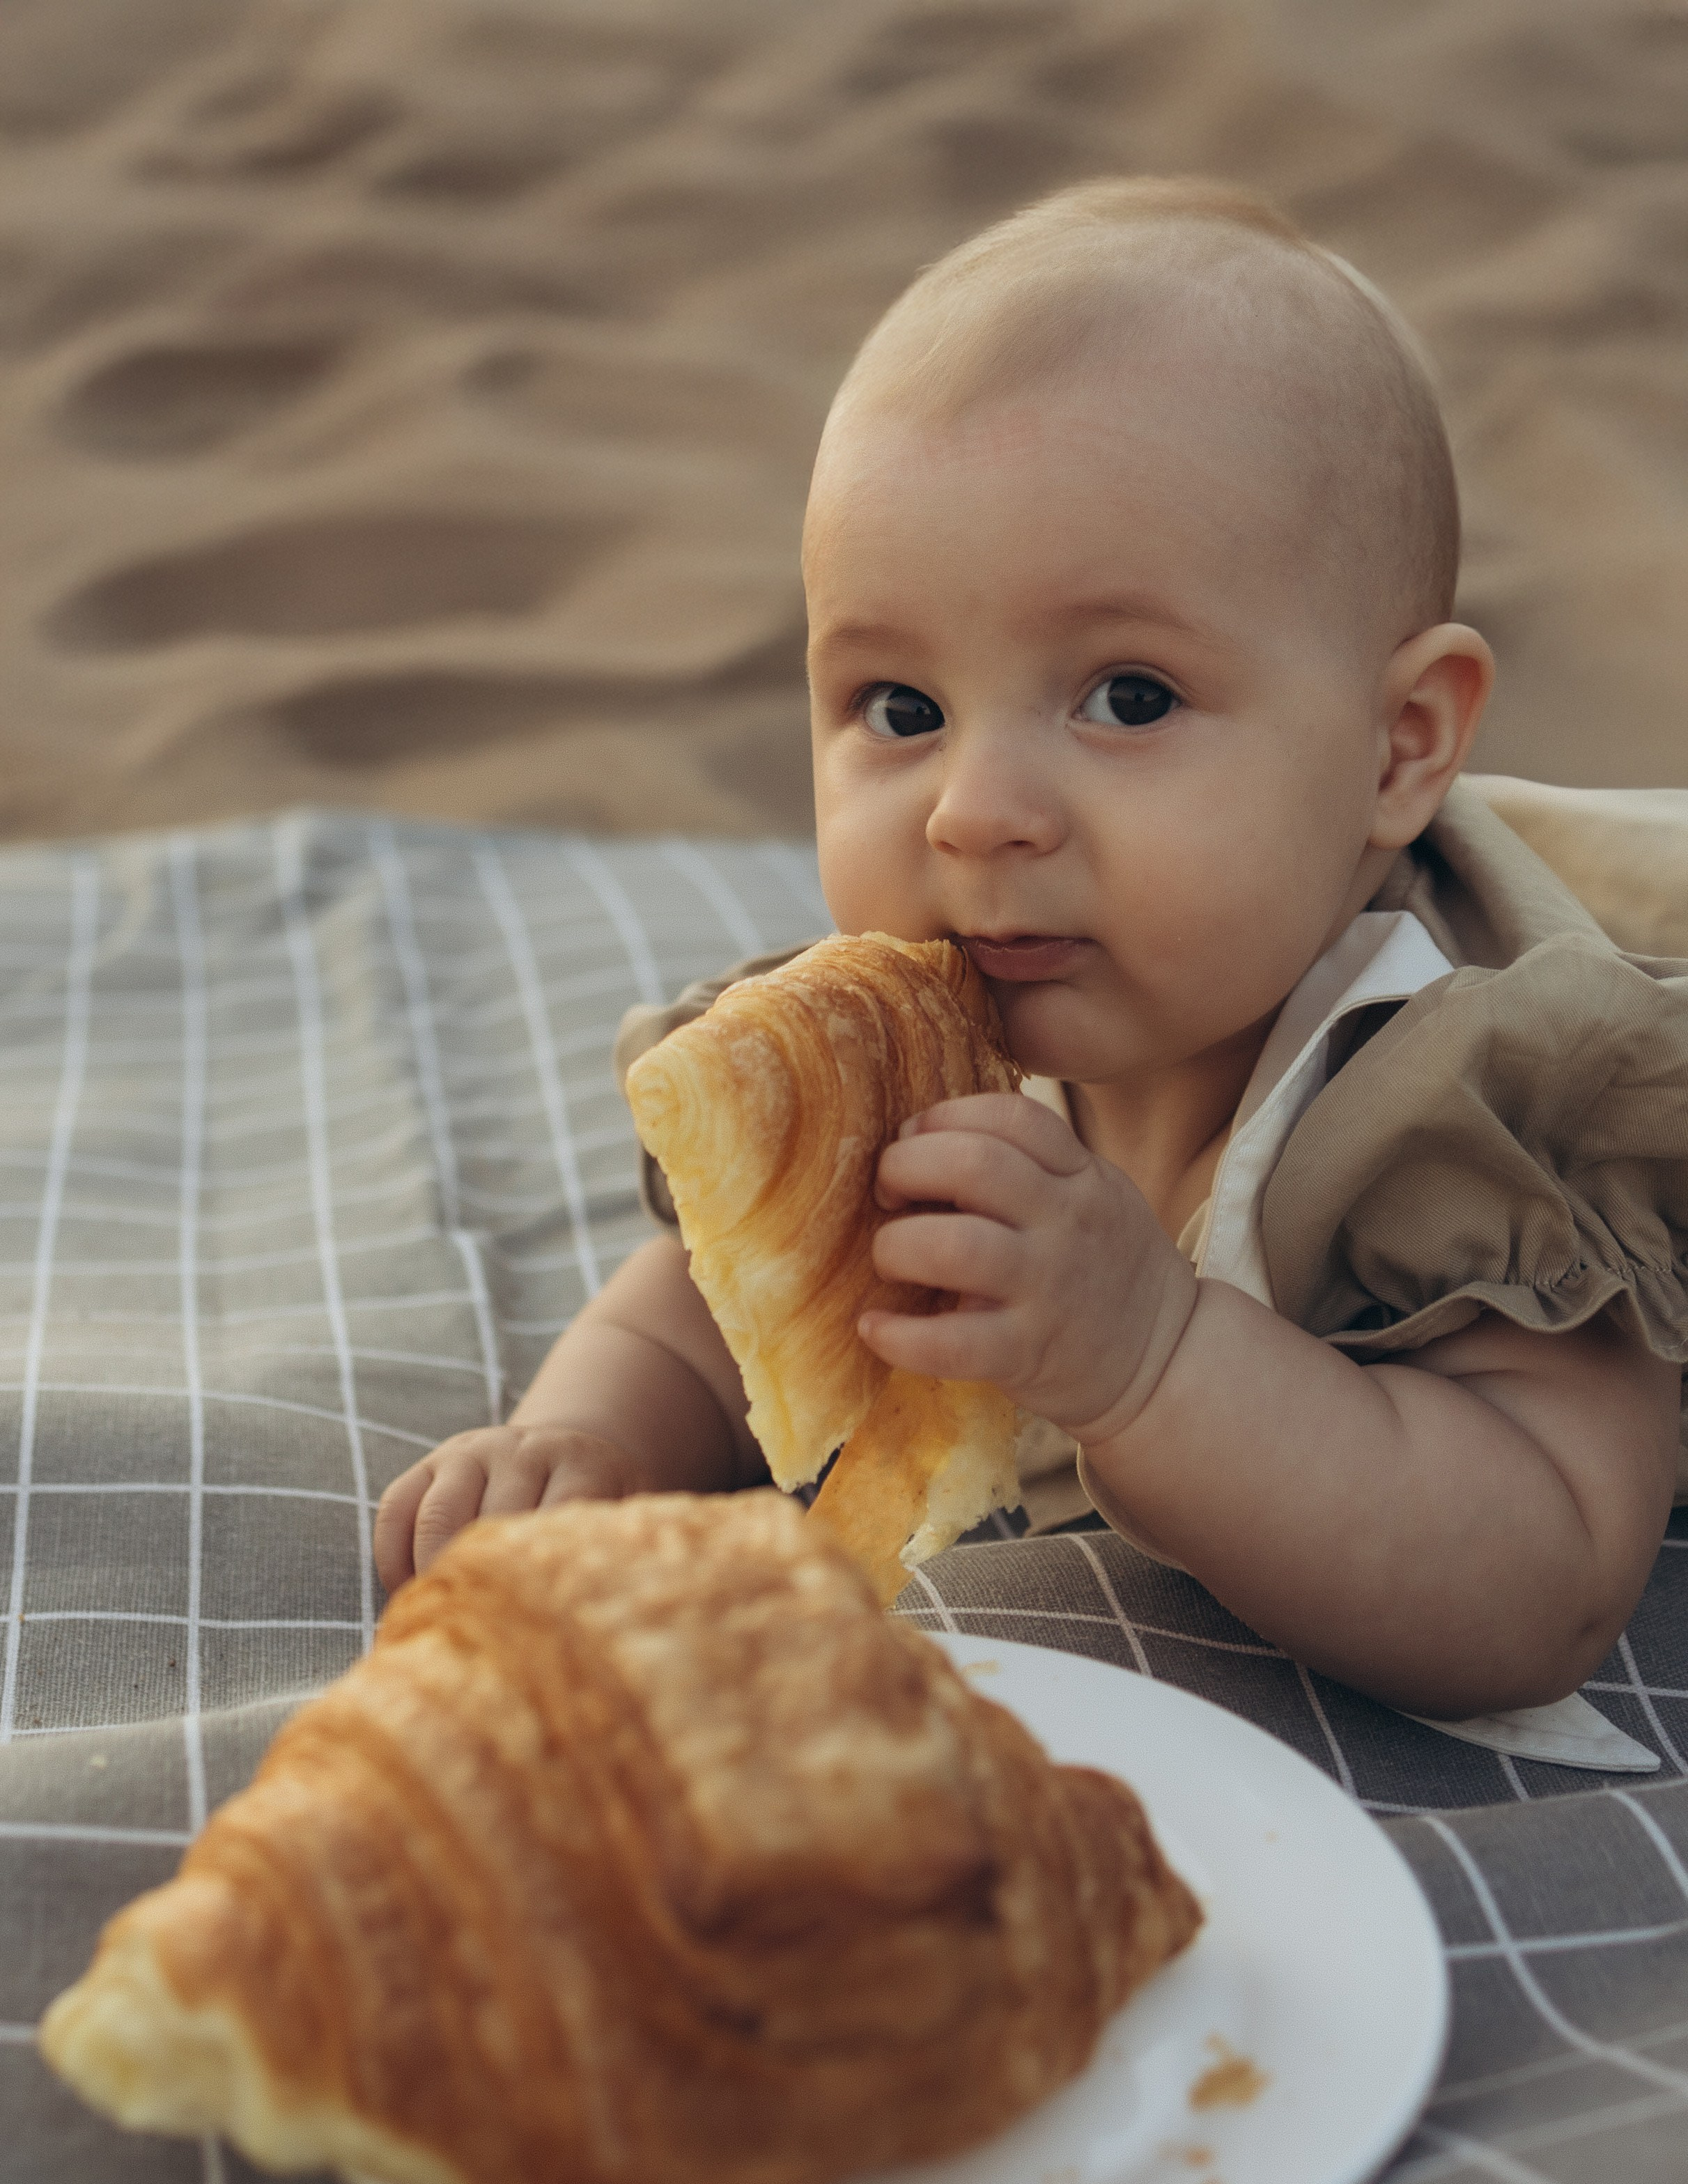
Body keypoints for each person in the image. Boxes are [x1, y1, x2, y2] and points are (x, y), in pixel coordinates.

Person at [374, 178, 1688, 1720]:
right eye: (903, 711)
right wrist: (588, 1440)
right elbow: (704, 1302)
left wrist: (1151, 1361)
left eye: (1128, 698)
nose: (976, 813)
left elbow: (1537, 1579)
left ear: (1398, 749)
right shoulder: (961, 1013)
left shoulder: (1470, 1091)